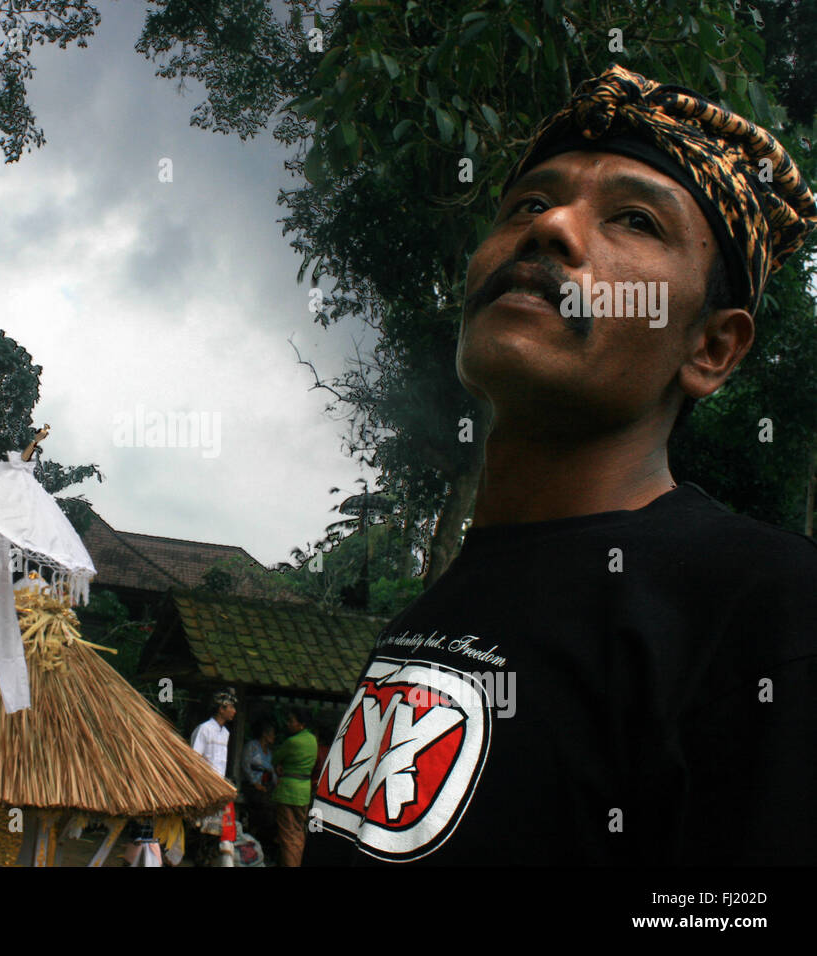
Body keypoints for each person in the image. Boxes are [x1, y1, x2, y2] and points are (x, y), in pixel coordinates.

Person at [305, 64, 817, 866]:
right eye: (529, 204)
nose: (552, 230)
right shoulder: (422, 623)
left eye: (636, 220)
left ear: (712, 347)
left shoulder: (765, 613)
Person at [189, 688, 237, 865]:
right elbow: (194, 758)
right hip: (204, 786)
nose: (234, 711)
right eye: (230, 707)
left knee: (215, 832)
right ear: (221, 708)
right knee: (200, 831)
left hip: (219, 786)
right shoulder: (204, 729)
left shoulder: (225, 733)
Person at [271, 707, 317, 867]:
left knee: (287, 836)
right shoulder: (312, 741)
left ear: (301, 724)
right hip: (304, 791)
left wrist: (280, 766)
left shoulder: (292, 742)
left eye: (292, 721)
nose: (288, 724)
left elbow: (275, 758)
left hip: (288, 792)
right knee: (298, 832)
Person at [239, 721, 277, 850]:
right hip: (251, 785)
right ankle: (253, 835)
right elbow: (245, 765)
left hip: (265, 785)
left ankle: (263, 840)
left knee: (273, 807)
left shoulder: (269, 753)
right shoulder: (252, 746)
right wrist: (255, 783)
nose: (274, 737)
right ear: (264, 734)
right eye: (272, 734)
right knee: (262, 806)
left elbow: (272, 771)